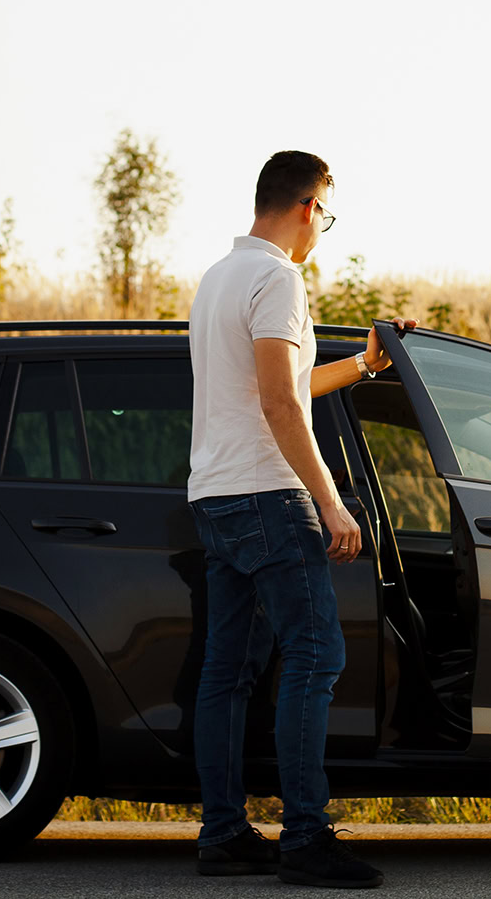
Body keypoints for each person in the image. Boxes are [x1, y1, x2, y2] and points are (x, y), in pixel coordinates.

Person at [186, 150, 411, 889]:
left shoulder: (218, 278)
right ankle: (306, 837)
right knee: (315, 655)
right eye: (329, 215)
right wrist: (330, 499)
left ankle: (222, 832)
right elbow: (281, 405)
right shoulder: (278, 277)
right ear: (309, 205)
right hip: (267, 495)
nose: (325, 231)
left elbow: (283, 382)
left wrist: (365, 365)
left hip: (215, 495)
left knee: (228, 671)